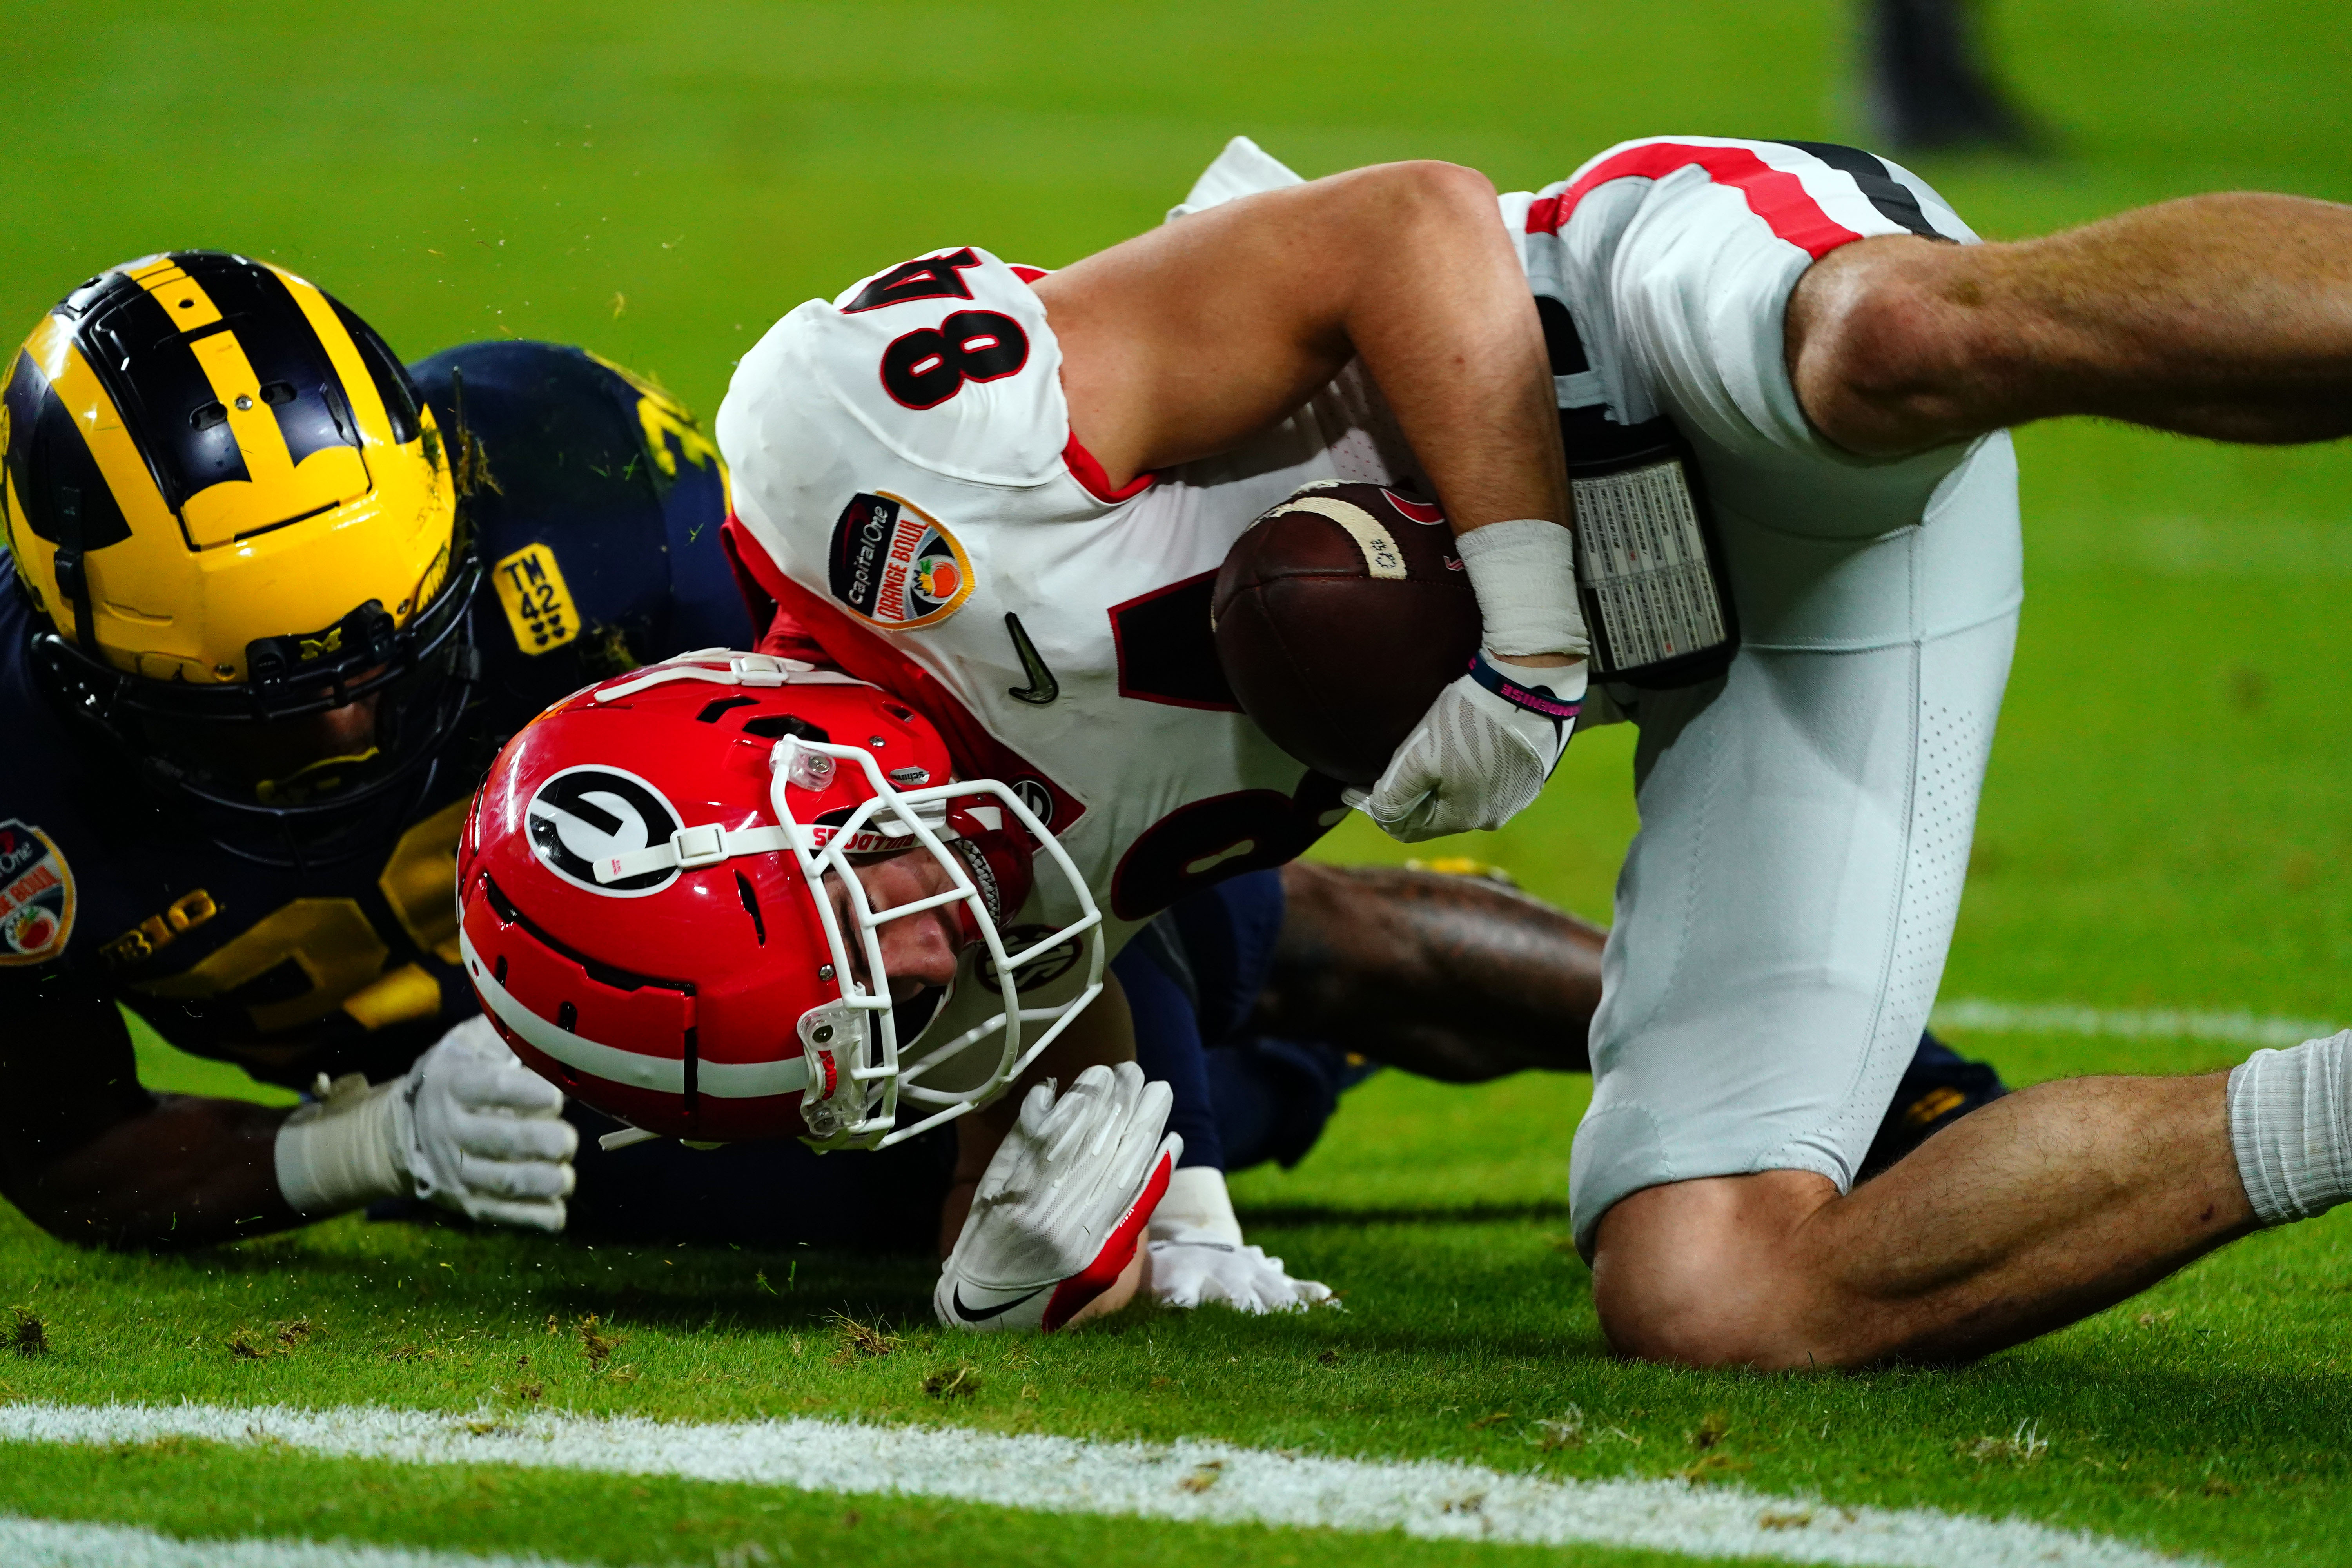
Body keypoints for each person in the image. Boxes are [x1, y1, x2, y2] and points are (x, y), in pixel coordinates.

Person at [692, 133, 2352, 1364]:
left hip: (1619, 350)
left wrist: (1529, 628)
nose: (917, 955)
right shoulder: (977, 885)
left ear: (768, 771)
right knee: (1710, 1291)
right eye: (885, 993)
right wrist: (1029, 1271)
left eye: (865, 930)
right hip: (1758, 642)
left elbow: (1406, 220)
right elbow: (1087, 1156)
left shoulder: (860, 461)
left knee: (1889, 343)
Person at [0, 250, 750, 1249]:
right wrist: (373, 1145)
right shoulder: (20, 778)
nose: (351, 730)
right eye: (264, 708)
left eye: (388, 663)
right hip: (507, 1165)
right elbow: (70, 1157)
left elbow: (874, 745)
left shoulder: (581, 483)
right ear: (91, 666)